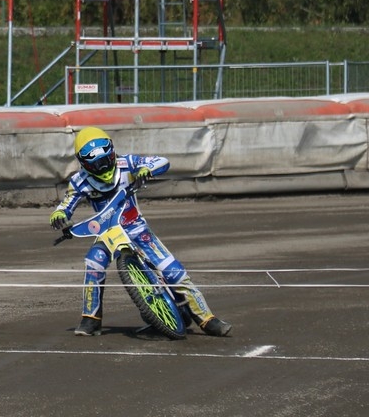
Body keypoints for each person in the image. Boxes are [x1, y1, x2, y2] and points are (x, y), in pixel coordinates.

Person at [48, 126, 232, 337]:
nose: (102, 167)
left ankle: (207, 318)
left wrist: (148, 169)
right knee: (94, 261)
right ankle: (91, 318)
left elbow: (161, 161)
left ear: (112, 153)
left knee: (172, 270)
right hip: (107, 233)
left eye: (105, 160)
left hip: (136, 227)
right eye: (95, 164)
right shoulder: (79, 181)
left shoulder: (127, 163)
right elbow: (66, 204)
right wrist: (59, 214)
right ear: (84, 163)